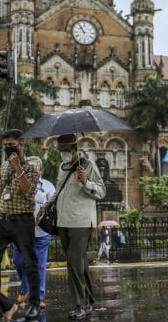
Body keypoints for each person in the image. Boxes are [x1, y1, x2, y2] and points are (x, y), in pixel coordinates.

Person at [0, 129, 42, 321]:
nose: (7, 147)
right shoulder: (4, 167)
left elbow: (28, 191)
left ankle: (34, 304)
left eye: (11, 144)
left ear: (21, 144)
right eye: (5, 145)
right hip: (2, 221)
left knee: (30, 263)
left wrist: (18, 167)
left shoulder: (33, 164)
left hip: (22, 221)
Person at [40, 133, 105, 320]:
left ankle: (80, 305)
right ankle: (90, 301)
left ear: (74, 148)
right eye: (60, 150)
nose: (62, 154)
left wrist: (86, 181)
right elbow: (59, 190)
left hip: (81, 222)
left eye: (65, 150)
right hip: (63, 221)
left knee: (74, 264)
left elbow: (101, 191)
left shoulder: (88, 166)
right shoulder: (62, 167)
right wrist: (45, 206)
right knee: (80, 264)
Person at [12, 157, 55, 309]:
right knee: (18, 261)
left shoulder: (49, 186)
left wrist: (44, 212)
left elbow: (52, 208)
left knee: (39, 265)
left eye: (34, 168)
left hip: (41, 233)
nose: (32, 170)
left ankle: (39, 297)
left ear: (41, 170)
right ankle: (26, 288)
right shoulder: (18, 182)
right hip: (21, 232)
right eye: (28, 167)